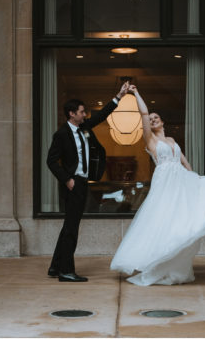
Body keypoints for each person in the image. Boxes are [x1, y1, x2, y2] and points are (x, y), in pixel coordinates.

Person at [110, 85, 205, 286]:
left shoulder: (172, 140)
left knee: (183, 216)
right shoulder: (150, 140)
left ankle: (174, 259)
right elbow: (143, 113)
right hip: (165, 181)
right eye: (150, 119)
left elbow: (184, 162)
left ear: (163, 122)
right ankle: (157, 259)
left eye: (155, 118)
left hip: (180, 179)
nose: (152, 120)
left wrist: (193, 180)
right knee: (164, 217)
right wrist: (136, 93)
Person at [45, 82, 127, 282]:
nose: (85, 114)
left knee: (68, 227)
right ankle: (66, 271)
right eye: (81, 112)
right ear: (72, 114)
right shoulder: (62, 134)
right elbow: (51, 161)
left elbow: (101, 115)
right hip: (73, 185)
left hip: (82, 183)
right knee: (71, 228)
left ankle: (56, 267)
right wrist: (67, 179)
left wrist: (119, 96)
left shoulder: (84, 128)